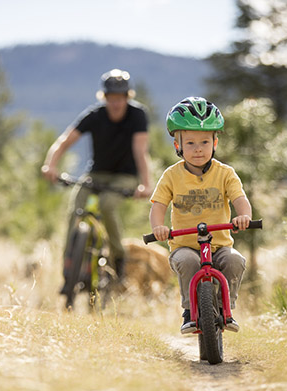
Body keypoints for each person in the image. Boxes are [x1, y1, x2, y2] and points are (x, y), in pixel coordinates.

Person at [149, 97, 252, 334]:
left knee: (235, 260)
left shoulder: (225, 173)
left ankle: (225, 309)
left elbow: (239, 199)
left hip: (220, 244)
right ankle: (189, 311)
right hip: (185, 245)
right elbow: (158, 206)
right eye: (191, 142)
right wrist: (158, 228)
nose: (198, 148)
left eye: (205, 141)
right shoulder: (171, 175)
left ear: (215, 142)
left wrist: (243, 216)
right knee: (188, 262)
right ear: (178, 146)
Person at [41, 68, 153, 283]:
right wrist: (50, 165)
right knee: (75, 209)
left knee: (107, 205)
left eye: (120, 98)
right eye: (112, 98)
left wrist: (146, 184)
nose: (116, 103)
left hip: (125, 176)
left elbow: (141, 151)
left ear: (127, 97)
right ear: (105, 97)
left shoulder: (138, 115)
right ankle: (69, 267)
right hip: (97, 174)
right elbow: (64, 141)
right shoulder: (95, 116)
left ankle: (119, 257)